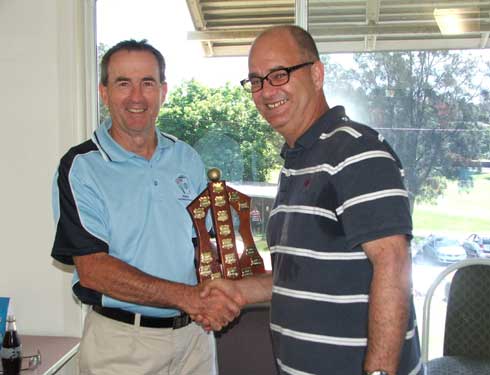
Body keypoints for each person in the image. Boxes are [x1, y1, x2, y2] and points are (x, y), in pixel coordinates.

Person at [198, 25, 423, 375]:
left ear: (316, 74)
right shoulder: (297, 162)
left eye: (279, 74)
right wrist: (239, 291)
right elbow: (302, 277)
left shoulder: (356, 151)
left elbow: (393, 265)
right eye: (255, 80)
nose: (265, 91)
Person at [51, 39, 241, 375]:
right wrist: (190, 298)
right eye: (123, 83)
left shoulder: (186, 157)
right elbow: (94, 269)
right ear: (104, 93)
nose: (136, 97)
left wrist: (223, 291)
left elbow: (207, 245)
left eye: (147, 83)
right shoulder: (81, 167)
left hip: (195, 339)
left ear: (163, 91)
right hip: (123, 345)